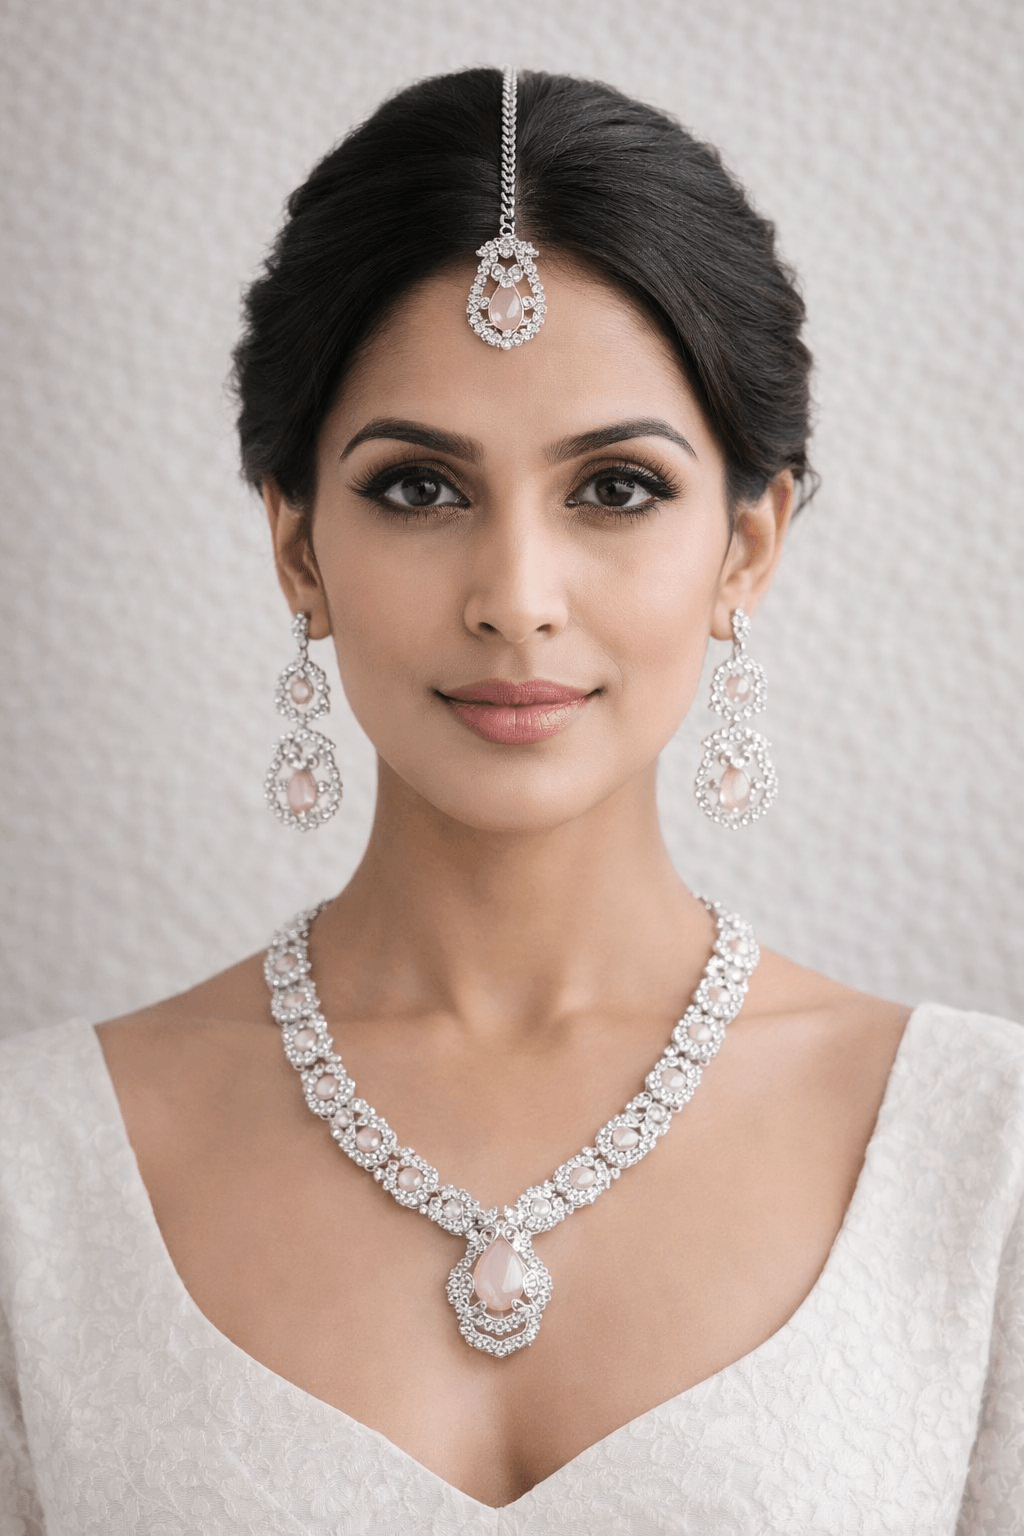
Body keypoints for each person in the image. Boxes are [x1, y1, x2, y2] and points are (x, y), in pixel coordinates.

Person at [1, 66, 1021, 1535]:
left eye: (615, 488)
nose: (516, 599)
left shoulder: (983, 1154)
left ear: (748, 544)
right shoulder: (35, 1169)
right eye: (421, 488)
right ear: (297, 545)